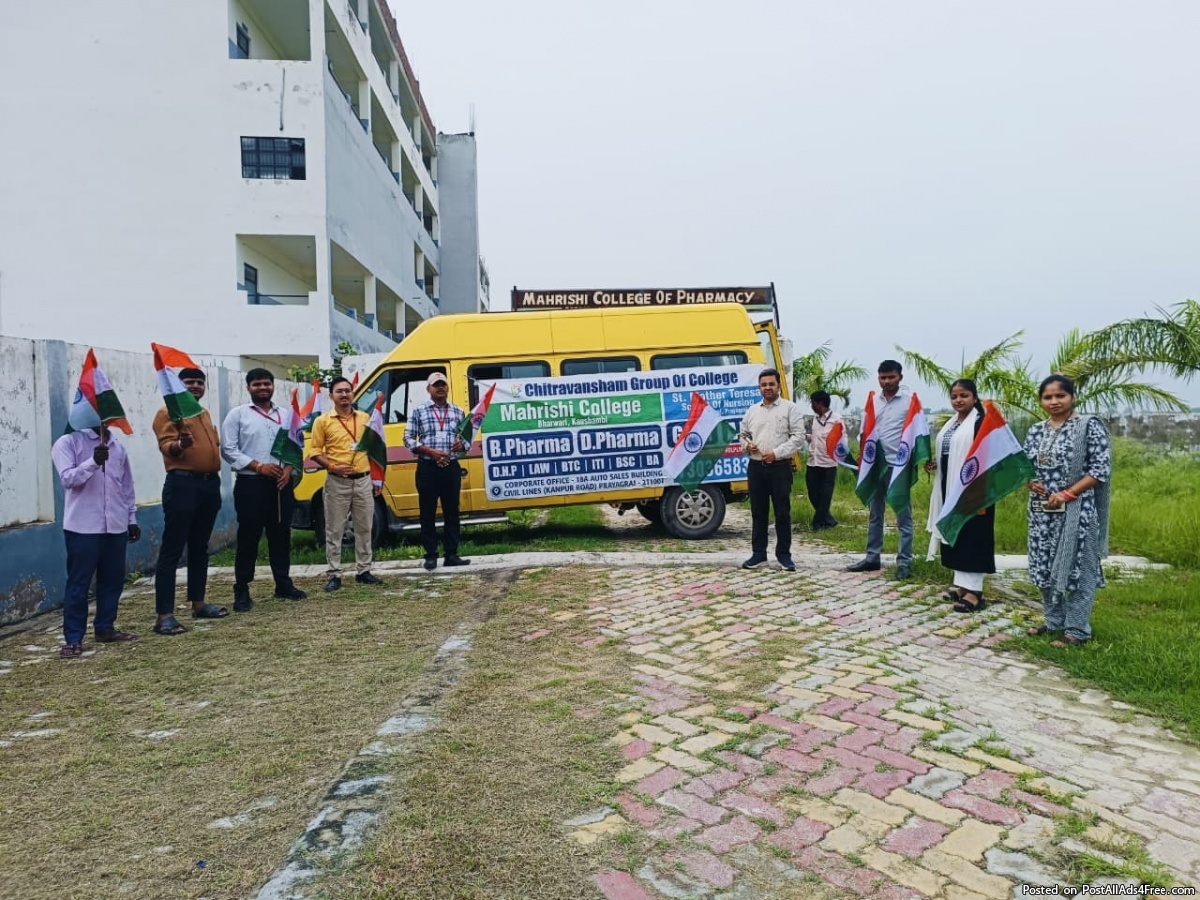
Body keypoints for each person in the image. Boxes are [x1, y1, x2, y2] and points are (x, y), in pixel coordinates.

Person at [1024, 374, 1111, 647]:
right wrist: (1030, 481)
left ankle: (1077, 629)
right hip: (1041, 512)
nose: (1054, 401)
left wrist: (1067, 493)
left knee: (1079, 568)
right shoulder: (1036, 430)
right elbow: (1025, 466)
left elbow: (1100, 469)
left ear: (1072, 397)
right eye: (1047, 397)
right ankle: (1054, 622)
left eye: (1060, 395)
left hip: (1077, 511)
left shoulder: (1088, 426)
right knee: (1043, 564)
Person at [220, 368, 307, 611]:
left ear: (272, 386)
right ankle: (242, 589)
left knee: (281, 535)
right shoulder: (238, 415)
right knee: (249, 537)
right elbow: (228, 449)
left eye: (266, 383)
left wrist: (288, 470)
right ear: (248, 387)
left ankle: (283, 584)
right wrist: (259, 467)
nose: (262, 388)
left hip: (281, 484)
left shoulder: (286, 415)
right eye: (257, 384)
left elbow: (296, 446)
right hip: (251, 485)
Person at [51, 424, 141, 658]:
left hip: (116, 525)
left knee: (112, 580)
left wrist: (131, 517)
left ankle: (105, 627)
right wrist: (93, 461)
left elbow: (126, 485)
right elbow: (68, 479)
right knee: (79, 584)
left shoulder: (117, 447)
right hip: (83, 527)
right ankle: (73, 638)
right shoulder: (68, 443)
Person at [150, 367, 226, 635]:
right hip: (183, 484)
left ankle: (199, 603)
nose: (195, 386)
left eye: (199, 382)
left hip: (208, 485)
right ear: (178, 386)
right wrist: (180, 444)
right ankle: (164, 615)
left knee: (199, 547)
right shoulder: (167, 413)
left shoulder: (203, 413)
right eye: (189, 382)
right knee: (172, 549)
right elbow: (167, 446)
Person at [924, 379, 994, 612]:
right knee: (956, 534)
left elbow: (988, 454)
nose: (958, 400)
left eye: (964, 395)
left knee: (972, 537)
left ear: (974, 397)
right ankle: (962, 586)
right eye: (954, 396)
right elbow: (950, 453)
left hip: (974, 489)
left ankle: (975, 593)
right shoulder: (952, 423)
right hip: (949, 487)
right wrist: (937, 464)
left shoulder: (981, 422)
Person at [311, 376, 383, 592]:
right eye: (339, 391)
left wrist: (377, 479)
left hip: (363, 481)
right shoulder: (322, 421)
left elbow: (375, 450)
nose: (344, 394)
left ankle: (364, 570)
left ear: (353, 394)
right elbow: (315, 452)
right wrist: (333, 467)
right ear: (331, 395)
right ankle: (334, 574)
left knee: (365, 527)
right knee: (335, 530)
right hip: (337, 482)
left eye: (347, 391)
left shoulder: (365, 418)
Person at [847, 360, 915, 578]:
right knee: (875, 514)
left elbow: (916, 433)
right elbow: (865, 432)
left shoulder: (910, 402)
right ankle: (872, 557)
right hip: (876, 467)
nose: (887, 381)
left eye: (891, 377)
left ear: (900, 377)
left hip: (898, 467)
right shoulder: (872, 401)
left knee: (903, 516)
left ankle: (904, 562)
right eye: (883, 377)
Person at [739, 368, 805, 571]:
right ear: (759, 388)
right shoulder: (752, 411)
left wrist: (776, 453)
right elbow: (743, 434)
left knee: (782, 513)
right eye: (763, 385)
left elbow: (799, 437)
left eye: (771, 384)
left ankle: (784, 556)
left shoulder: (790, 409)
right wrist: (747, 445)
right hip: (756, 468)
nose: (767, 388)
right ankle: (758, 554)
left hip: (780, 468)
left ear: (778, 386)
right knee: (758, 513)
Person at [404, 372, 470, 571]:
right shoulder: (419, 411)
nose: (440, 388)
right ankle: (430, 556)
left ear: (447, 387)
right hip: (428, 468)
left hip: (451, 467)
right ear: (428, 389)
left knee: (452, 512)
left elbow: (467, 439)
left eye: (443, 384)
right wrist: (429, 452)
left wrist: (463, 445)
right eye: (436, 385)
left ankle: (451, 554)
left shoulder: (458, 411)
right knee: (427, 513)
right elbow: (407, 439)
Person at [806, 390, 842, 531]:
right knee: (813, 494)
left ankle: (818, 523)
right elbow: (815, 437)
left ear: (820, 403)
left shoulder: (836, 419)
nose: (811, 406)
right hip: (813, 462)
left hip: (828, 463)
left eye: (813, 403)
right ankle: (829, 520)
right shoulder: (815, 420)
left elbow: (842, 440)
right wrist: (807, 437)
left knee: (825, 496)